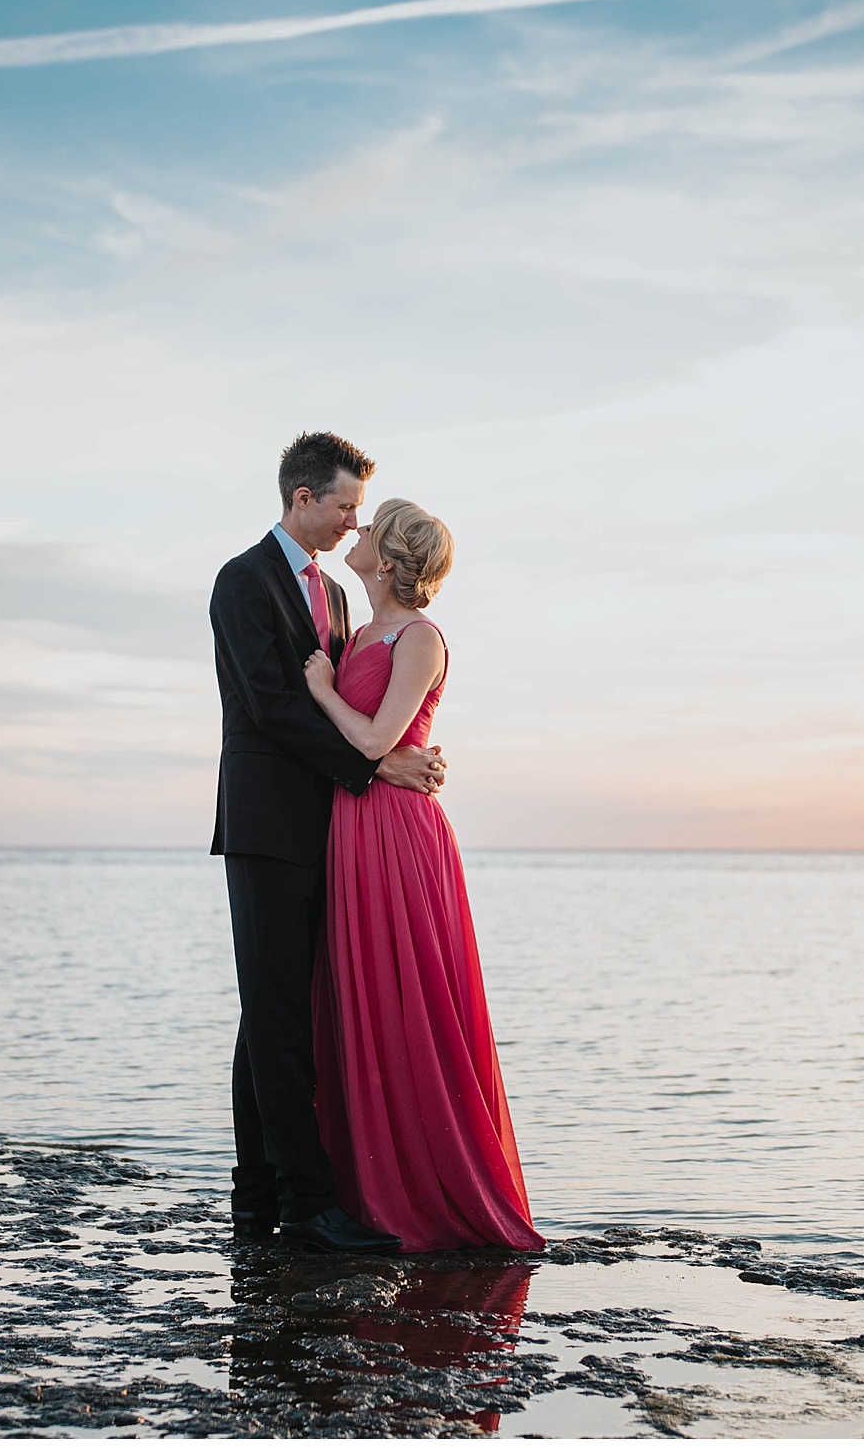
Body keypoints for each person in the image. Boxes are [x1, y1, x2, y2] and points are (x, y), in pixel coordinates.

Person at [209, 432, 447, 1254]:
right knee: (274, 1015)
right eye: (345, 504)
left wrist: (394, 754)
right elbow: (275, 709)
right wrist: (380, 769)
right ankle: (306, 1203)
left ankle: (258, 1198)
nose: (354, 521)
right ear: (302, 497)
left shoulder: (339, 600)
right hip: (268, 827)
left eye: (360, 509)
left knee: (279, 1016)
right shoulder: (242, 582)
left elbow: (349, 706)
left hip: (336, 831)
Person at [301, 499, 545, 1253]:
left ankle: (431, 1187)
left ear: (391, 556)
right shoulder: (356, 627)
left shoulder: (420, 638)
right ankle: (356, 1184)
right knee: (357, 997)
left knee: (409, 1000)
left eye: (371, 528)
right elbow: (370, 747)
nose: (357, 532)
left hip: (399, 835)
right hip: (354, 823)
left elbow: (376, 735)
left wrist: (322, 692)